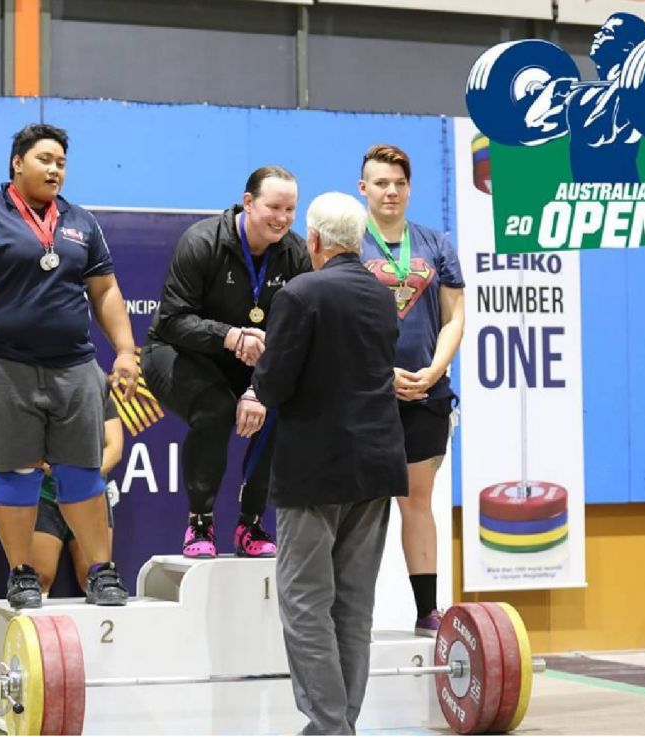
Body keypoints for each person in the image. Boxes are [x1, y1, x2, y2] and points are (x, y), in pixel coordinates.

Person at [0, 123, 137, 609]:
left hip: (75, 368)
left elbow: (105, 290)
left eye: (62, 163)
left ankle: (102, 573)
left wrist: (127, 350)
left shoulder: (81, 222)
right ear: (17, 162)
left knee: (84, 473)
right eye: (45, 159)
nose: (55, 169)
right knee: (14, 473)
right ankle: (22, 574)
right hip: (4, 366)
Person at [252, 192, 407, 735]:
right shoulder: (383, 296)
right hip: (376, 467)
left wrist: (261, 357)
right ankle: (342, 724)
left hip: (315, 472)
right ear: (359, 238)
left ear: (312, 240)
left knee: (304, 602)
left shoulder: (300, 293)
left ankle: (328, 727)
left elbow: (273, 385)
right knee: (353, 606)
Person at [141, 166, 310, 559]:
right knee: (215, 408)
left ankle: (251, 525)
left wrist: (258, 389)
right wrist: (230, 336)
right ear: (248, 202)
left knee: (280, 410)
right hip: (179, 351)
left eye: (290, 209)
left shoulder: (296, 253)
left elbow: (294, 334)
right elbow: (172, 320)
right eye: (274, 207)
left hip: (254, 362)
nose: (282, 218)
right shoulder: (202, 242)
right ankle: (199, 523)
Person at [358, 144, 465, 637]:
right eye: (381, 183)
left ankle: (427, 611)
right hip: (364, 396)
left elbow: (455, 317)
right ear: (364, 189)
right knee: (357, 503)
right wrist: (380, 375)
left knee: (417, 502)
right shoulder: (349, 243)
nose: (391, 191)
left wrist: (434, 370)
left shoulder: (435, 243)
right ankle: (351, 612)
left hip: (425, 393)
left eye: (399, 184)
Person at [524, 12, 645, 182]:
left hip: (625, 200)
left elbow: (597, 133)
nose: (596, 35)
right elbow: (533, 128)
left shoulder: (637, 95)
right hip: (584, 201)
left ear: (627, 47)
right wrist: (550, 92)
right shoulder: (581, 95)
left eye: (606, 33)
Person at [31, 392, 123, 593]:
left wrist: (83, 479)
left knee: (96, 577)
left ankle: (96, 624)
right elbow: (26, 447)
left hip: (90, 495)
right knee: (40, 578)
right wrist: (60, 473)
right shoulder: (34, 390)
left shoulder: (98, 392)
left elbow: (115, 448)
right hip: (44, 495)